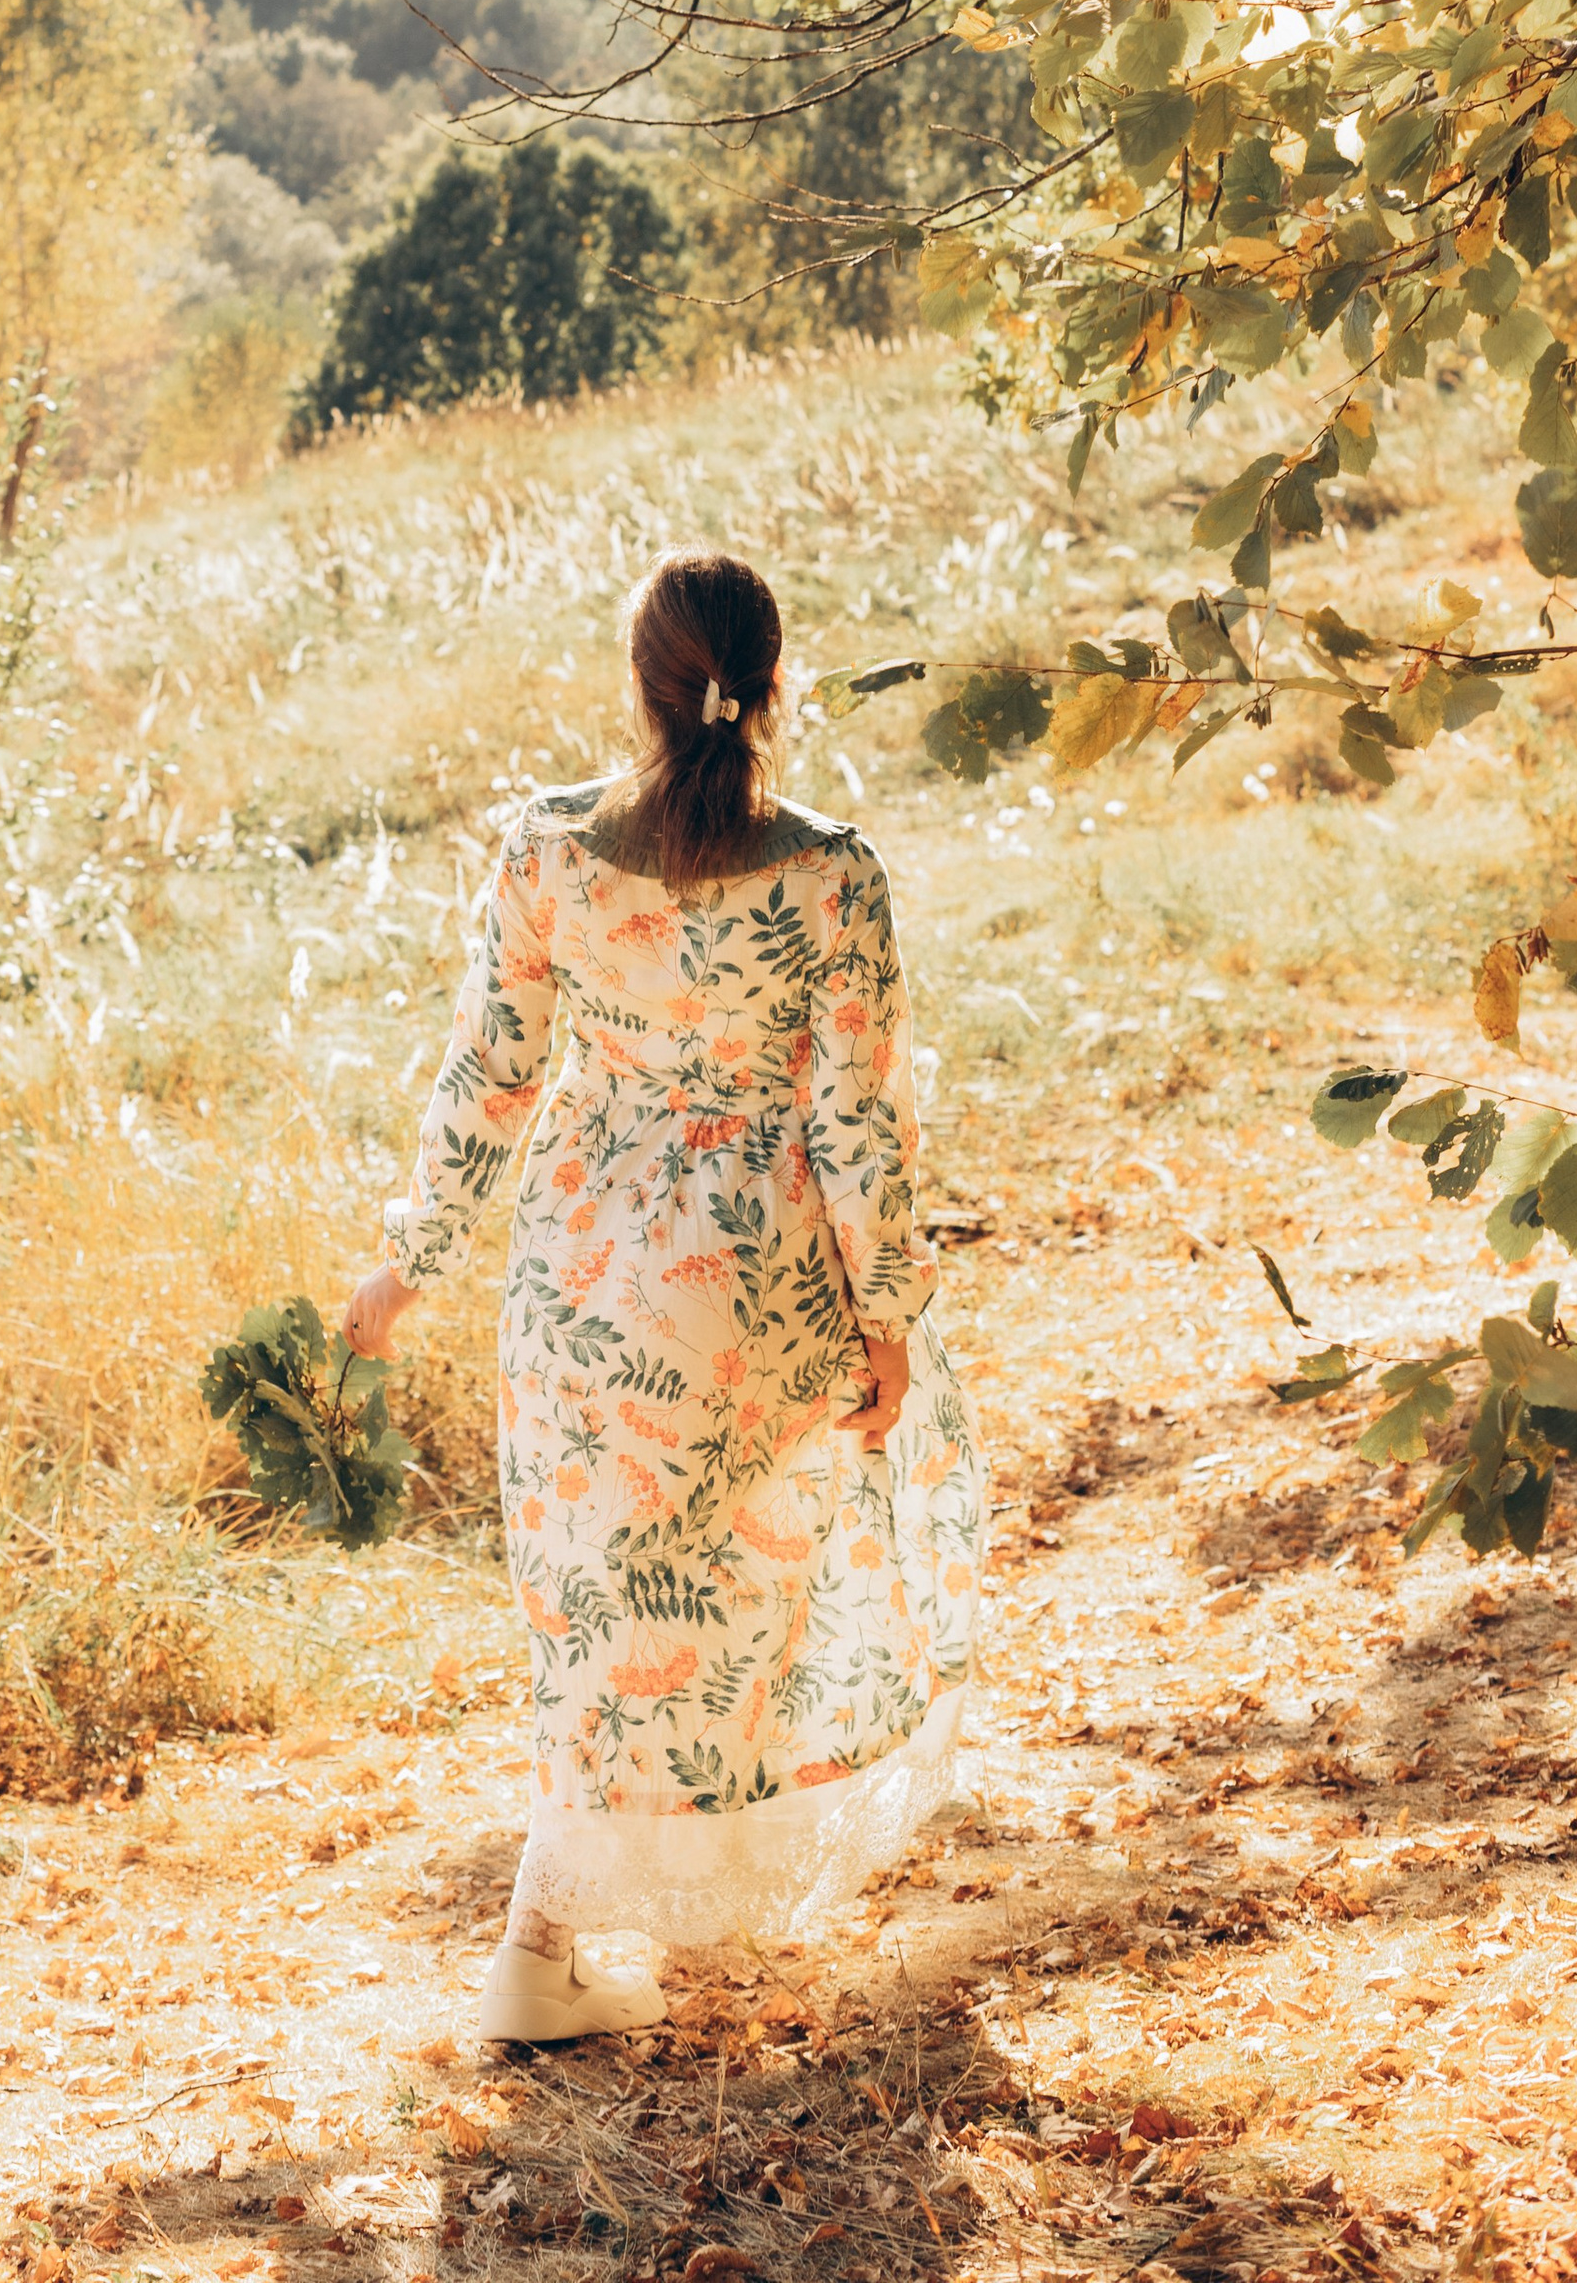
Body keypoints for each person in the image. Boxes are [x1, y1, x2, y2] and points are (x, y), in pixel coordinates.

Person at [344, 545, 985, 2044]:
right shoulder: (832, 874)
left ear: (641, 680)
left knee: (598, 1606)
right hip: (758, 1282)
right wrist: (888, 1316)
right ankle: (585, 1934)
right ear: (774, 682)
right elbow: (858, 1124)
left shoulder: (546, 851)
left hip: (583, 1272)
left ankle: (560, 1944)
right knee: (735, 1593)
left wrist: (411, 1262)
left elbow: (488, 1079)